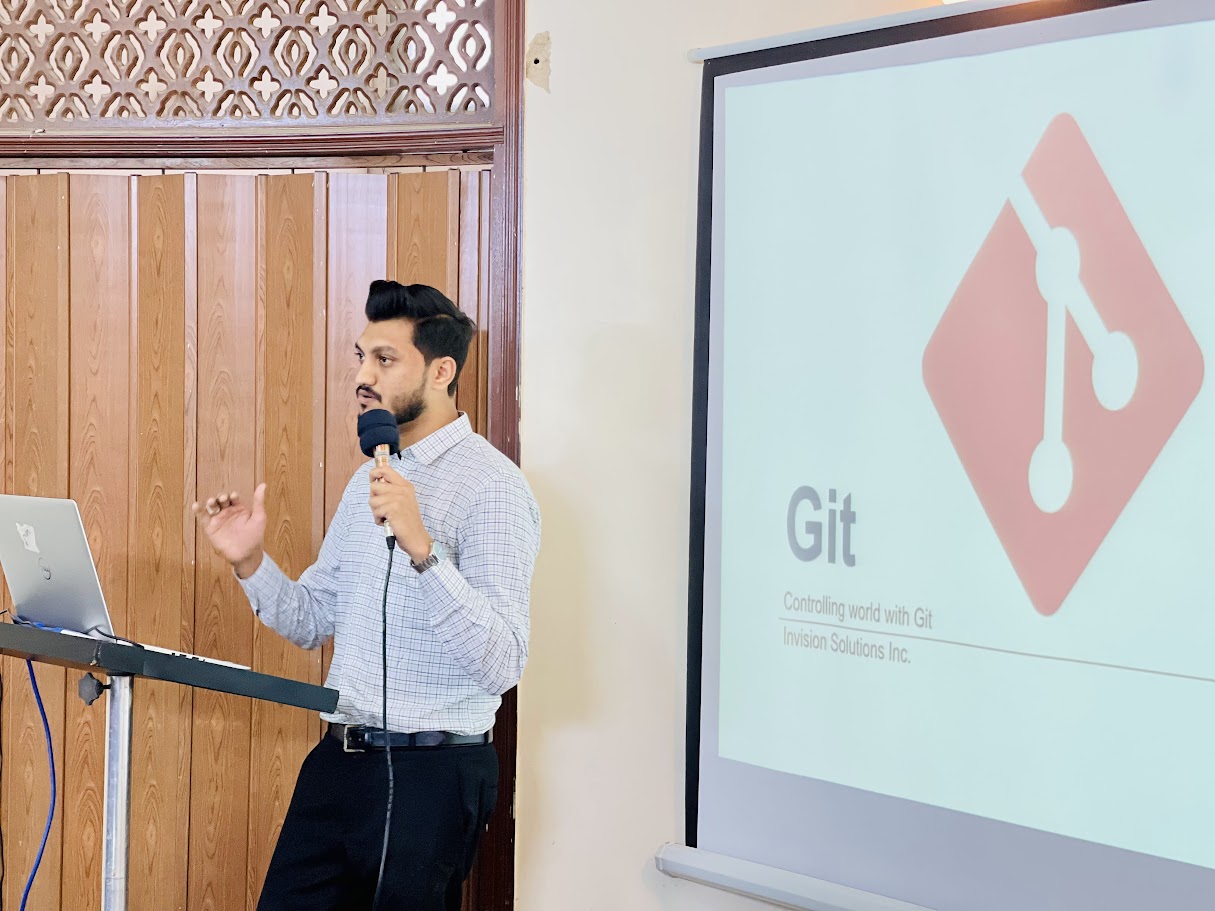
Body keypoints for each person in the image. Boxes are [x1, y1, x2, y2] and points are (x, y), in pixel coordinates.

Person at [192, 280, 541, 911]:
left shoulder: (495, 487)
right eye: (362, 356)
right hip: (338, 764)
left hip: (431, 776)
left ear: (442, 370)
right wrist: (250, 562)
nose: (363, 375)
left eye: (384, 360)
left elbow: (501, 664)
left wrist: (422, 548)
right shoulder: (367, 481)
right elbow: (312, 619)